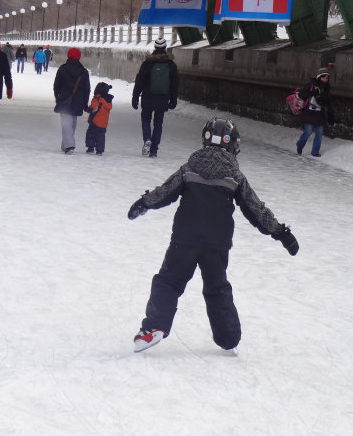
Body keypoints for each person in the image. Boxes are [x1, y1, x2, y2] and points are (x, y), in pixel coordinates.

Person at [128, 117, 299, 354]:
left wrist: (144, 202)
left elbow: (165, 191)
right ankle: (229, 338)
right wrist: (281, 232)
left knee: (168, 281)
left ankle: (154, 327)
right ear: (233, 145)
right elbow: (256, 209)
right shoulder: (234, 176)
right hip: (217, 244)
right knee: (217, 288)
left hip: (185, 239)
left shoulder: (189, 168)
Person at [132, 36, 179, 158]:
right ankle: (153, 151)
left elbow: (140, 81)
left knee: (146, 119)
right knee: (158, 123)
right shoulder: (171, 65)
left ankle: (147, 138)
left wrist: (135, 96)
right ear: (165, 48)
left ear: (154, 47)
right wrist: (173, 99)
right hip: (163, 98)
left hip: (148, 96)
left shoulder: (147, 63)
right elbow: (175, 83)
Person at [53, 47, 90, 154]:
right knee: (72, 124)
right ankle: (67, 145)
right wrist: (85, 103)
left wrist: (57, 96)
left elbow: (57, 85)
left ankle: (68, 146)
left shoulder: (62, 69)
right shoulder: (83, 71)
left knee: (66, 124)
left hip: (64, 99)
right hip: (77, 101)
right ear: (79, 56)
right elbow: (87, 88)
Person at [296, 67, 335, 157]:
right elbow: (301, 94)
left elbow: (328, 103)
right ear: (319, 77)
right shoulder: (311, 85)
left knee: (319, 133)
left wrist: (331, 116)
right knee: (308, 132)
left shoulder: (327, 88)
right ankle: (300, 145)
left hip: (320, 114)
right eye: (324, 77)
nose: (326, 79)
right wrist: (312, 93)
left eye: (327, 77)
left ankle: (315, 152)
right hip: (309, 113)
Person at [85, 82, 113, 155]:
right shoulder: (108, 100)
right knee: (101, 136)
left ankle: (91, 148)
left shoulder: (97, 98)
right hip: (104, 123)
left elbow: (93, 107)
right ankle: (99, 150)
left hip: (95, 121)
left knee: (90, 134)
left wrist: (88, 109)